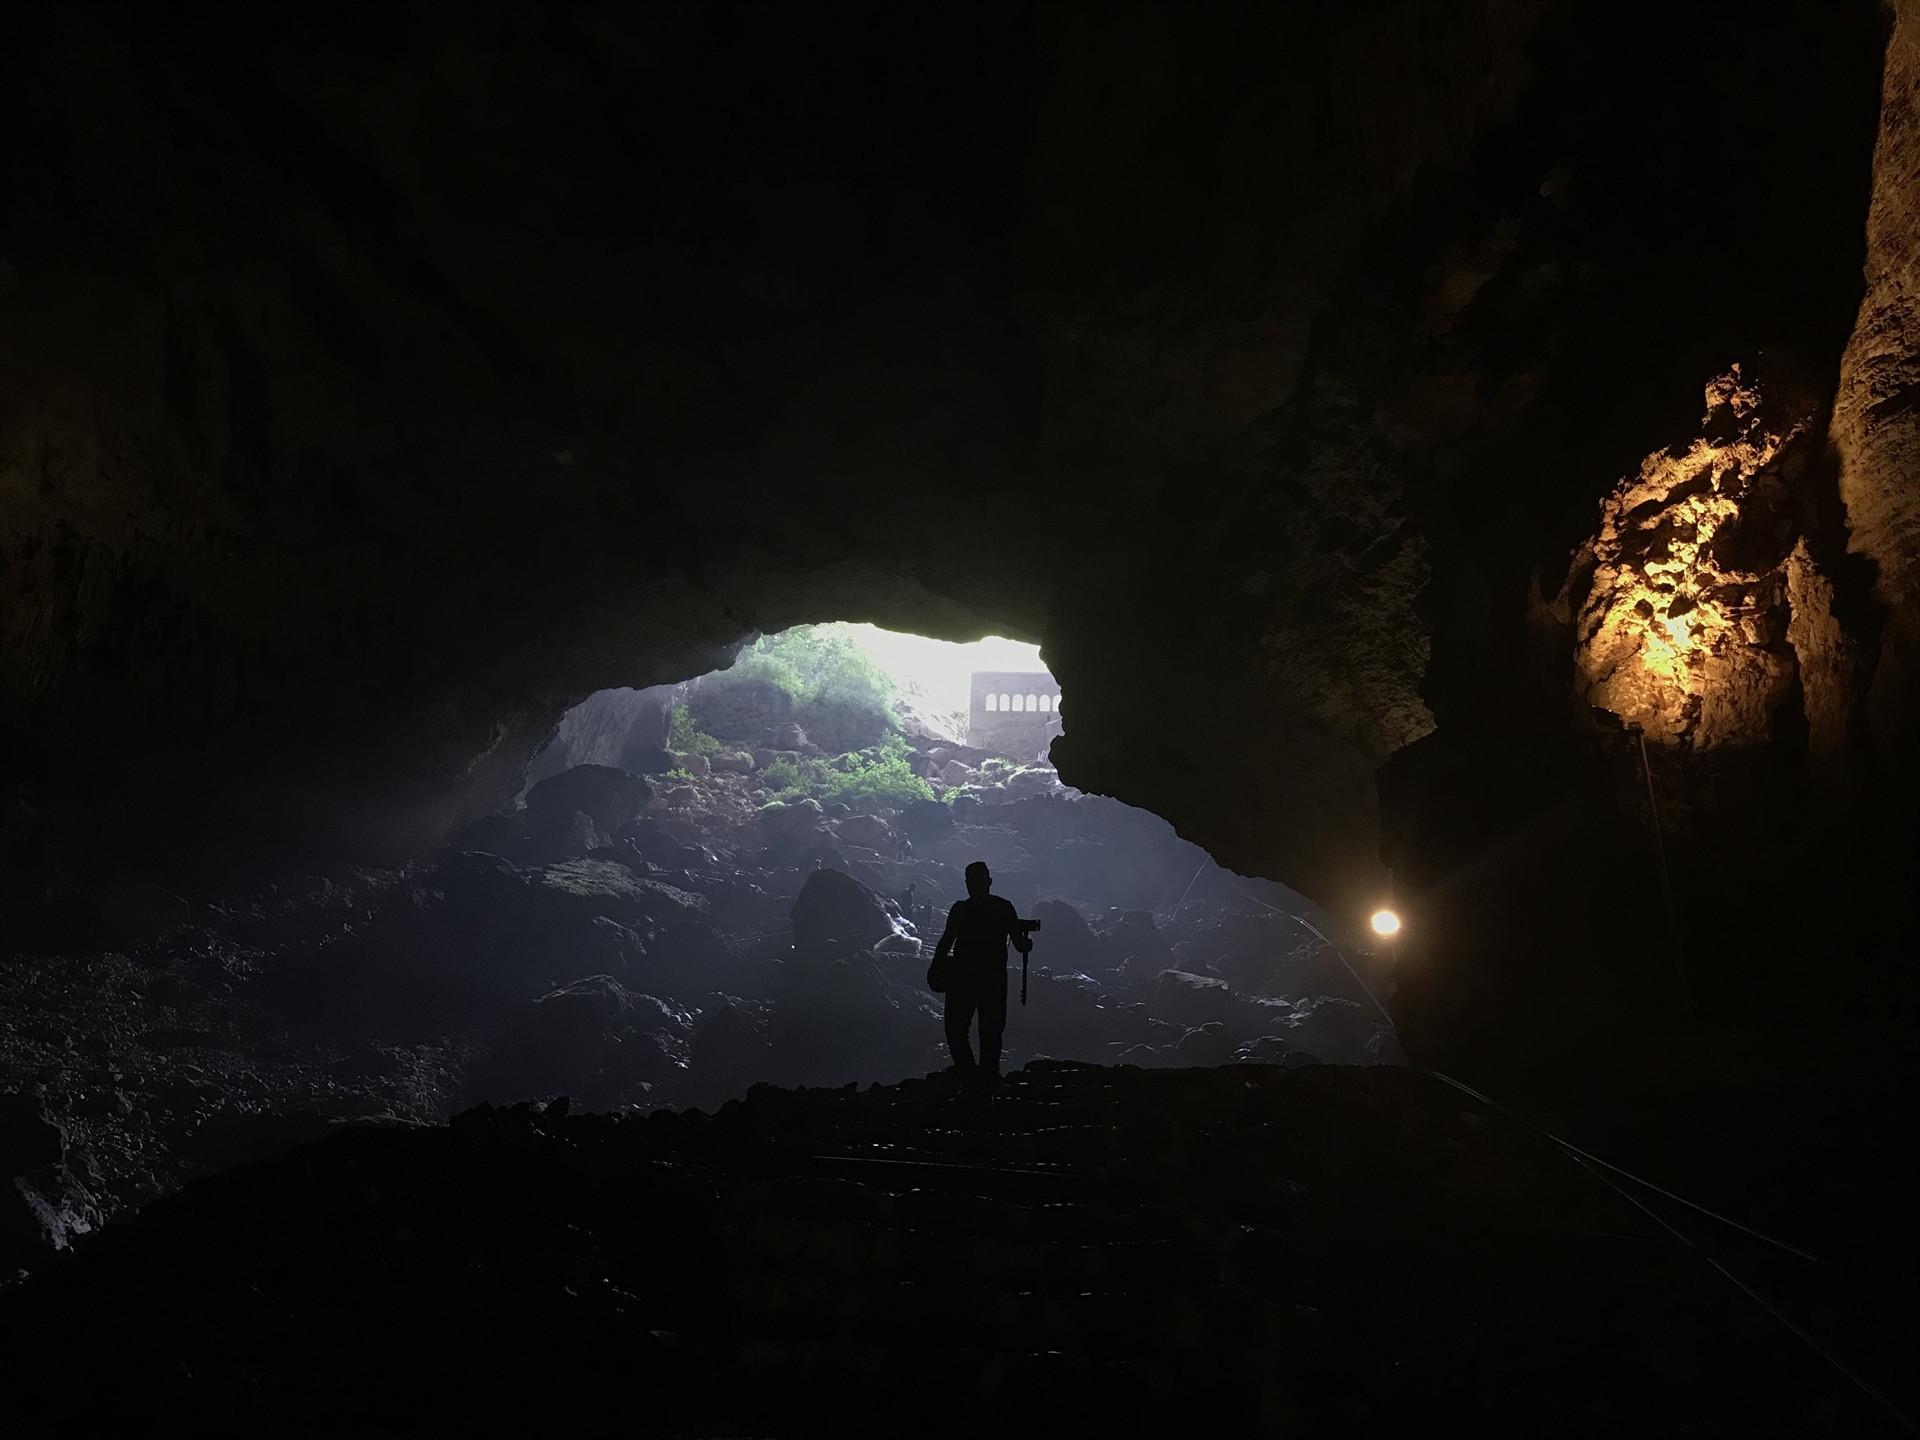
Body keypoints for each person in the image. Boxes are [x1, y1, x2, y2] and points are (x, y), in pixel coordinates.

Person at [931, 861, 1033, 1091]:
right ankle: (986, 1084)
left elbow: (946, 942)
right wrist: (1028, 944)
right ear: (989, 882)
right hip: (992, 981)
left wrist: (935, 967)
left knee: (957, 1033)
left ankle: (972, 1080)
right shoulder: (1003, 908)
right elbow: (1020, 945)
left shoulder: (960, 910)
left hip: (963, 980)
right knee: (990, 1035)